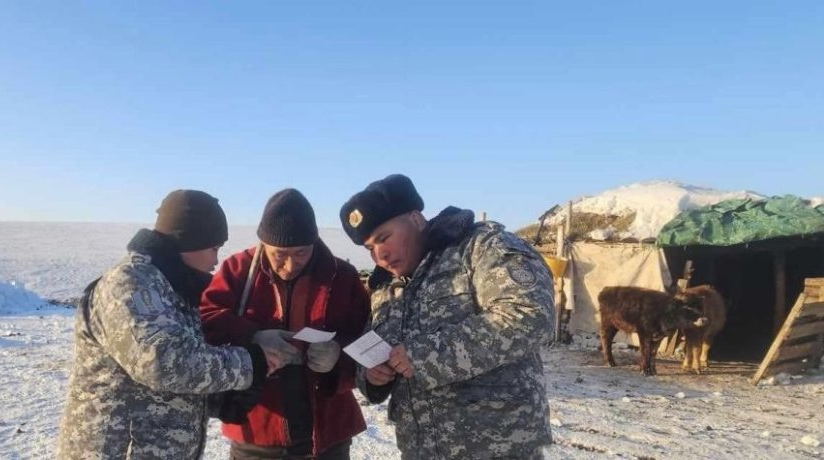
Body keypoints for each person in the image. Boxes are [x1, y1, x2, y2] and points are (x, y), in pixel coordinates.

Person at [57, 189, 288, 460]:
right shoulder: (130, 285)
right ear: (189, 242)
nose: (216, 261)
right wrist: (250, 363)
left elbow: (174, 378)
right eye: (214, 248)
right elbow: (161, 364)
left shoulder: (172, 290)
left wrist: (223, 399)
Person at [339, 174, 555, 460]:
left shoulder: (480, 248)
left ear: (415, 218)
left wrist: (425, 356)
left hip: (498, 449)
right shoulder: (386, 288)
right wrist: (372, 377)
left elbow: (530, 315)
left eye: (384, 238)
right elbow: (374, 350)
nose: (380, 255)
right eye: (370, 248)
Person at [200, 188, 371, 460]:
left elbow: (367, 338)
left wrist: (338, 353)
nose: (290, 265)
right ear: (263, 243)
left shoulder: (343, 276)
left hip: (330, 434)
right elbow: (205, 319)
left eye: (301, 253)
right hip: (256, 432)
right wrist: (252, 337)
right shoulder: (237, 271)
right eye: (279, 254)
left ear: (314, 242)